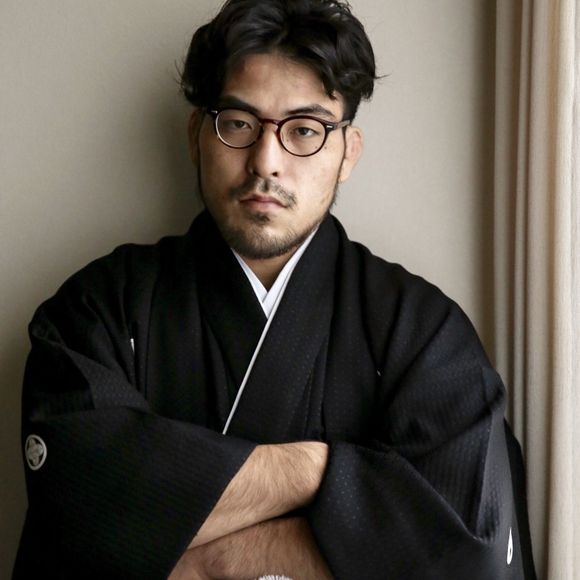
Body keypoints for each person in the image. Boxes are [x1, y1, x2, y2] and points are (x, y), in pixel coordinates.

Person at [13, 1, 534, 578]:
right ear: (196, 135)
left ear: (347, 153)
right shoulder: (99, 308)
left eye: (305, 130)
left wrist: (211, 561)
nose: (266, 162)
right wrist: (312, 471)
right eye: (238, 123)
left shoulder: (419, 328)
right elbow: (78, 509)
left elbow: (467, 547)